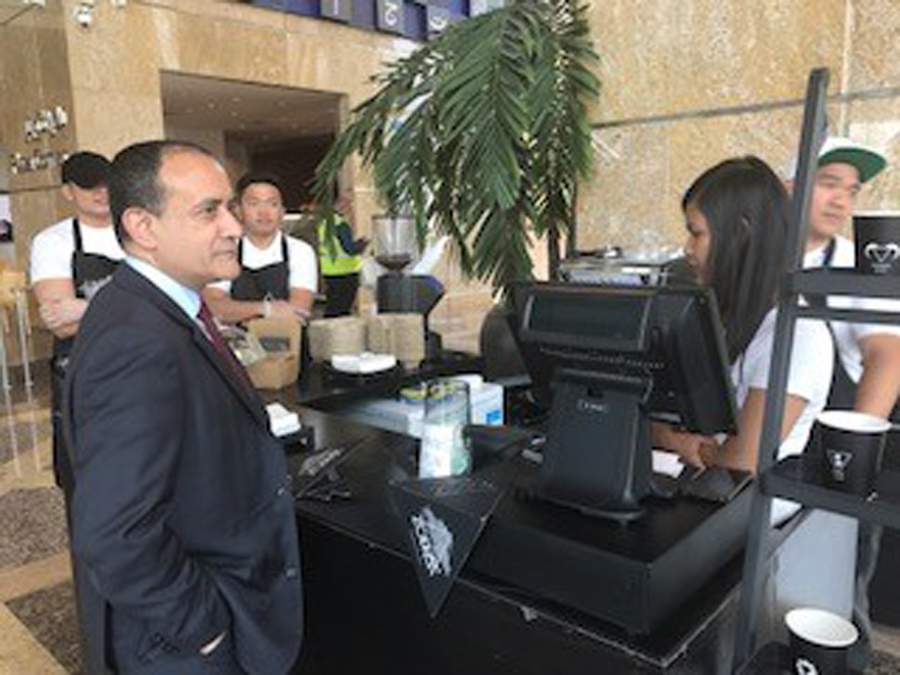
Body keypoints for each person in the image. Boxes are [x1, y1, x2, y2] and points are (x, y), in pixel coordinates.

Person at [65, 141, 302, 674]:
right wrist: (205, 628)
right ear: (144, 227)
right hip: (182, 650)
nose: (235, 227)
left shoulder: (158, 307)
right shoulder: (137, 338)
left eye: (230, 207)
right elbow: (114, 531)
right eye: (208, 211)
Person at [657, 156, 854, 641]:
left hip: (757, 528)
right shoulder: (740, 317)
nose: (687, 250)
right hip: (719, 503)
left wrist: (680, 442)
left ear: (740, 232)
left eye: (696, 233)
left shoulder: (794, 335)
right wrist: (693, 443)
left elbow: (744, 458)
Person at [789, 136, 900, 667]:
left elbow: (887, 354)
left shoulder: (860, 266)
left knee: (840, 590)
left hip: (838, 457)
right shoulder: (766, 258)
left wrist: (852, 458)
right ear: (789, 188)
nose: (841, 201)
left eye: (851, 191)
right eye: (828, 184)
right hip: (773, 449)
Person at [29, 151, 124, 497]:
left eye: (105, 184)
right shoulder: (53, 241)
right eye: (88, 186)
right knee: (88, 485)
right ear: (68, 192)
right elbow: (62, 325)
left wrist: (82, 308)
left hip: (142, 368)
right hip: (83, 377)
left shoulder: (136, 229)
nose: (101, 193)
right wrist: (137, 307)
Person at [203, 172, 317, 324]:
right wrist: (265, 309)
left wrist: (239, 311)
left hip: (289, 342)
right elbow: (215, 307)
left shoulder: (300, 251)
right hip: (237, 343)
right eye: (254, 203)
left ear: (282, 212)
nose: (264, 212)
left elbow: (299, 310)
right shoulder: (224, 250)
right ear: (238, 210)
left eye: (272, 204)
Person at [316, 195, 367, 316]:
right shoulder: (341, 225)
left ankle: (327, 332)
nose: (350, 208)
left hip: (330, 271)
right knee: (343, 308)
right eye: (348, 204)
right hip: (346, 271)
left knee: (333, 306)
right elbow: (349, 249)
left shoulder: (325, 223)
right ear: (340, 205)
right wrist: (362, 244)